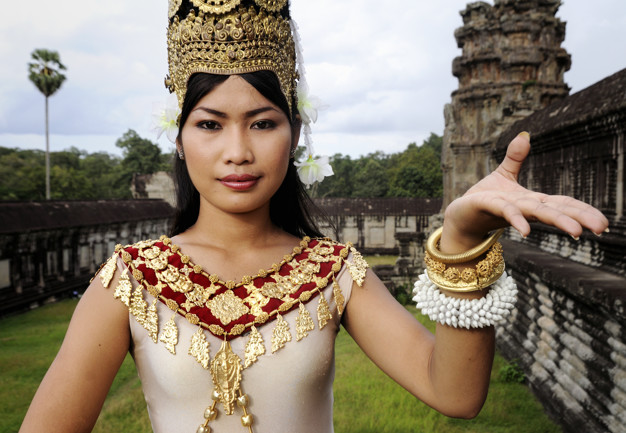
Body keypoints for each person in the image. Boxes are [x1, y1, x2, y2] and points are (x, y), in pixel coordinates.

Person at [19, 1, 609, 432]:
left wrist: (463, 240)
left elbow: (454, 392)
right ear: (177, 139)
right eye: (209, 123)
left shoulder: (330, 272)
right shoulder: (130, 279)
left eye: (263, 121)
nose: (238, 151)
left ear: (295, 133)